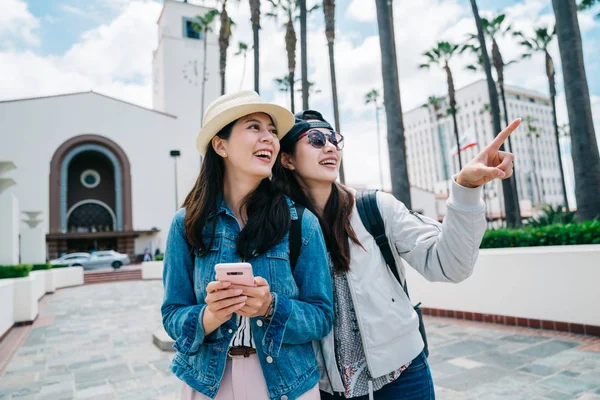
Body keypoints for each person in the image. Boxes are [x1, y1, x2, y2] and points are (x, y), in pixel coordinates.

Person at [273, 110, 520, 400]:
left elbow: (450, 265)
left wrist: (466, 188)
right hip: (323, 387)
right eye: (315, 139)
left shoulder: (374, 207)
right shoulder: (278, 227)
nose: (329, 146)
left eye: (333, 139)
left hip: (403, 378)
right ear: (287, 159)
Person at [161, 92, 334, 400]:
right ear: (220, 145)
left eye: (272, 131)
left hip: (287, 384)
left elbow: (321, 316)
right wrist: (210, 316)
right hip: (208, 384)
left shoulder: (301, 223)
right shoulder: (185, 224)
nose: (269, 138)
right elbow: (172, 314)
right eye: (254, 127)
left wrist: (270, 307)